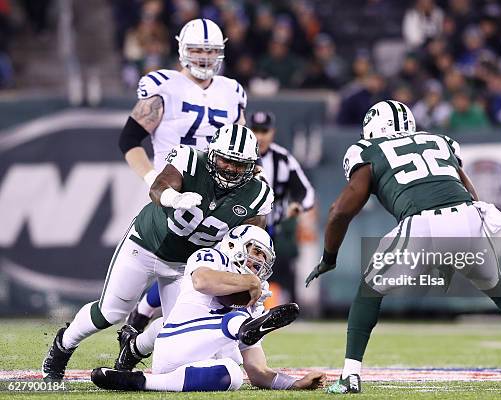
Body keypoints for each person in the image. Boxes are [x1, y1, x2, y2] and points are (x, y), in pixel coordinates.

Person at [305, 100, 501, 393]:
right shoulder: (438, 140)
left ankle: (350, 375)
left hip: (423, 221)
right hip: (468, 215)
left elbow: (340, 211)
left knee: (370, 289)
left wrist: (329, 256)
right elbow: (468, 189)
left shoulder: (367, 151)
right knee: (497, 286)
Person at [42, 124, 274, 381]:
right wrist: (173, 199)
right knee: (111, 312)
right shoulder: (189, 158)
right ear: (211, 154)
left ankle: (133, 348)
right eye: (225, 159)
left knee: (182, 327)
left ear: (252, 166)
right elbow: (158, 187)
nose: (230, 168)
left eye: (239, 164)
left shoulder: (258, 194)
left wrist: (248, 281)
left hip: (188, 265)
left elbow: (246, 243)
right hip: (145, 245)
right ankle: (63, 346)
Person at [119, 18, 248, 332]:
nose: (203, 57)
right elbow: (128, 139)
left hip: (216, 194)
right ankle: (134, 317)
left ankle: (144, 328)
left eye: (210, 50)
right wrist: (154, 182)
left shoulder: (232, 91)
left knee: (203, 280)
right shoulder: (163, 85)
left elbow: (244, 149)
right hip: (172, 191)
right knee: (171, 271)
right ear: (181, 49)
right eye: (197, 49)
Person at [90, 225, 326, 392]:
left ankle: (137, 382)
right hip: (178, 344)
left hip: (196, 367)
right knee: (233, 322)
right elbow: (203, 282)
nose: (257, 261)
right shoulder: (212, 257)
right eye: (255, 251)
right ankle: (242, 327)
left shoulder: (256, 297)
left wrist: (295, 383)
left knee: (234, 374)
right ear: (234, 244)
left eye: (263, 257)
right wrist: (250, 284)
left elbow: (257, 370)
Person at [249, 111, 315, 300]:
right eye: (255, 130)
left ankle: (289, 309)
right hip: (241, 225)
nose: (260, 136)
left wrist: (298, 206)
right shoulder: (240, 155)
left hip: (274, 227)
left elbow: (306, 192)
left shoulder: (282, 158)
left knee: (284, 268)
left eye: (264, 131)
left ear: (273, 132)